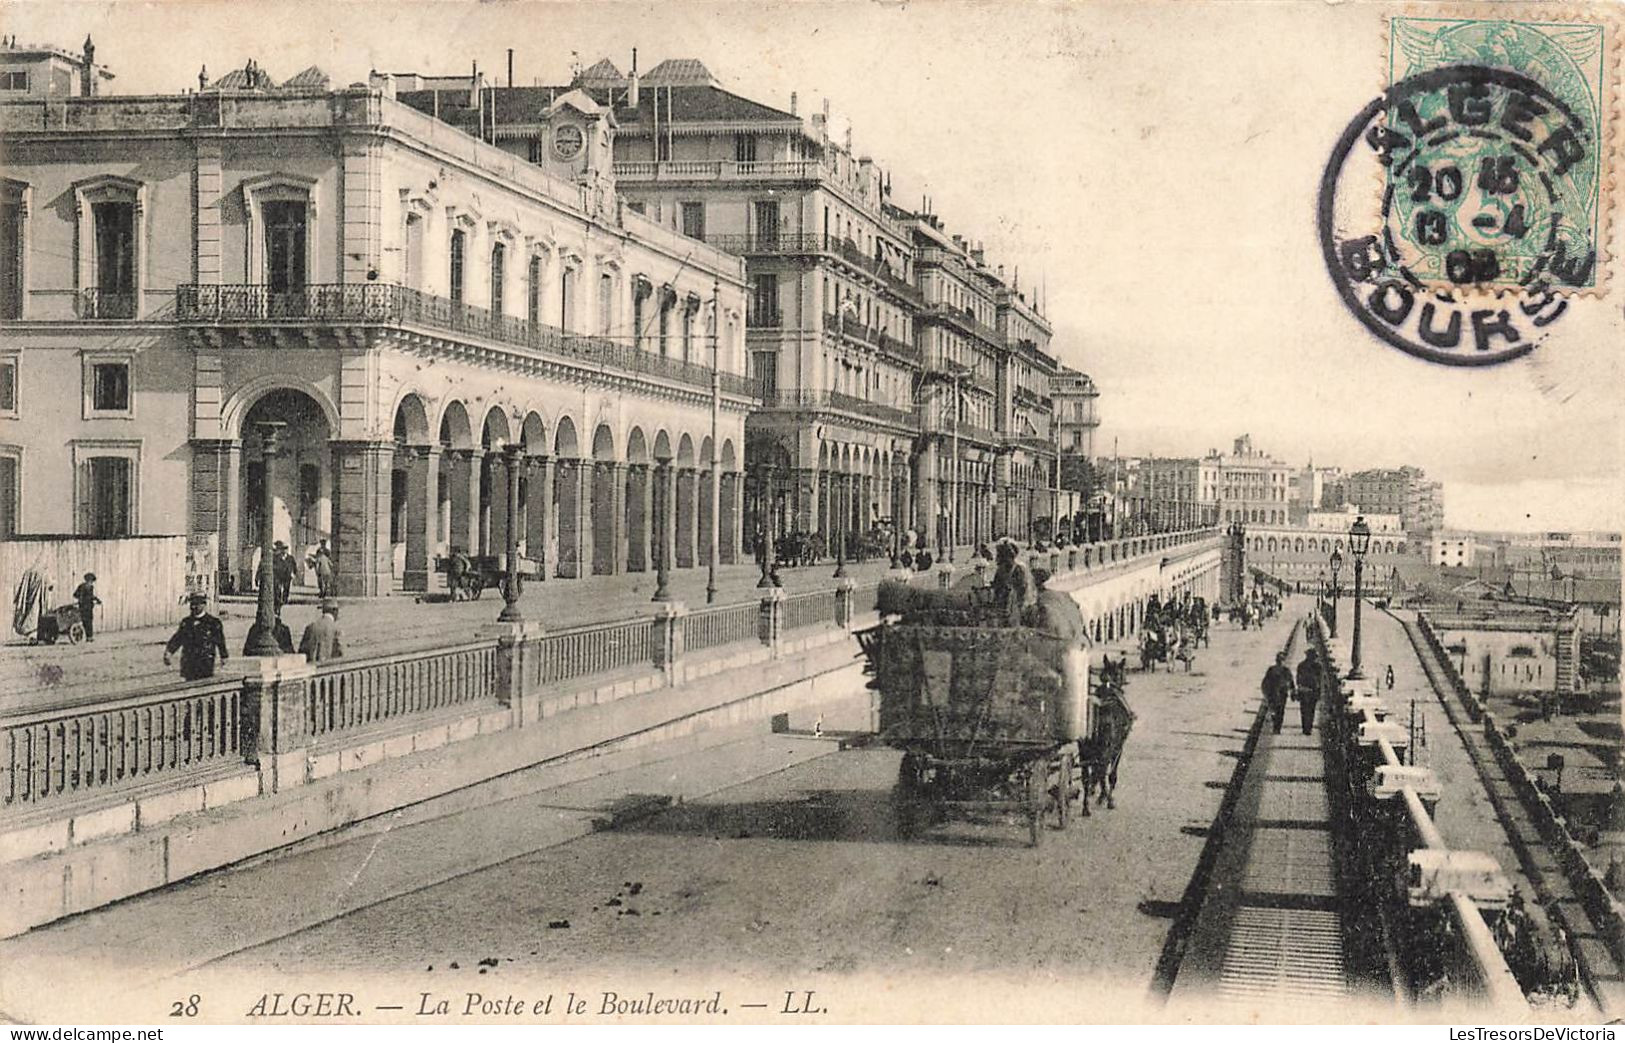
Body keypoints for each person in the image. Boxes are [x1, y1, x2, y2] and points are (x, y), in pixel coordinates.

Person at [164, 593, 229, 681]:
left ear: (203, 605)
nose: (194, 607)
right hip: (189, 662)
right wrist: (169, 652)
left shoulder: (213, 623)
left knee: (204, 685)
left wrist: (224, 656)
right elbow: (178, 638)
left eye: (197, 604)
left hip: (205, 662)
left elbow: (220, 641)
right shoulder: (186, 622)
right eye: (192, 604)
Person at [299, 599, 345, 663]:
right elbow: (341, 654)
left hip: (311, 668)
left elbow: (301, 653)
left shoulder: (310, 627)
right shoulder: (336, 629)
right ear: (335, 611)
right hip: (328, 668)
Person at [1261, 651, 1295, 735]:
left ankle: (1276, 727)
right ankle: (1276, 727)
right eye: (1280, 660)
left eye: (1281, 660)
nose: (1281, 662)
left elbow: (1291, 682)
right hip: (1276, 693)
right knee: (1278, 710)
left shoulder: (1281, 670)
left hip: (1278, 694)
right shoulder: (1277, 670)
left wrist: (1292, 691)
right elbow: (1266, 682)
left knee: (1278, 710)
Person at [1295, 648, 1322, 736]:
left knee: (1305, 710)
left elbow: (1298, 679)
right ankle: (1308, 728)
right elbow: (1320, 680)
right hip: (1311, 690)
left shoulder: (1301, 665)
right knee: (1310, 710)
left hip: (1305, 690)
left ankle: (1306, 728)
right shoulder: (1318, 666)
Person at [72, 572, 102, 642]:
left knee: (85, 621)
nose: (91, 582)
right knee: (89, 621)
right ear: (89, 580)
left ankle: (88, 636)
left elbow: (75, 595)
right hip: (88, 607)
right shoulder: (89, 587)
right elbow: (91, 596)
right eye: (91, 581)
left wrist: (80, 599)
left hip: (82, 606)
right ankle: (89, 637)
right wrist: (97, 600)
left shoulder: (81, 586)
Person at [271, 542, 295, 609]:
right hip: (280, 575)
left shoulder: (290, 558)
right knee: (278, 588)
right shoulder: (277, 557)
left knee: (286, 588)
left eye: (286, 549)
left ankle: (285, 599)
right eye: (283, 549)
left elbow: (294, 566)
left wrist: (294, 573)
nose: (284, 550)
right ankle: (279, 599)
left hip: (287, 576)